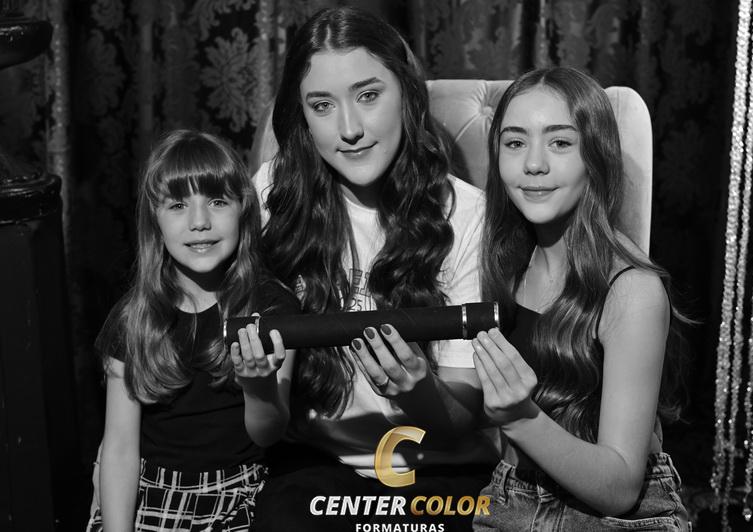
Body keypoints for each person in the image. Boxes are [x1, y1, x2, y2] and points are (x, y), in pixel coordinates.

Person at [253, 6, 497, 530]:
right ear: (301, 116)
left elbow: (460, 421)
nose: (350, 129)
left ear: (406, 95)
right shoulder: (273, 195)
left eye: (368, 96)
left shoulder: (468, 215)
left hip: (439, 475)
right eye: (322, 105)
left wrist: (417, 389)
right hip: (317, 472)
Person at [471, 67, 691, 531]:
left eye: (559, 142)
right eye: (515, 142)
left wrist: (520, 419)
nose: (533, 164)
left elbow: (620, 488)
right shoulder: (507, 266)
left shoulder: (631, 290)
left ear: (595, 154)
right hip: (513, 498)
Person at [86, 129, 299, 531]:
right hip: (149, 493)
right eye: (178, 205)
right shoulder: (133, 318)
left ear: (243, 210)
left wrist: (258, 387)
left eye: (217, 202)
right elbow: (118, 448)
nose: (199, 222)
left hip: (239, 496)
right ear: (155, 221)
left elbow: (269, 434)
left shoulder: (271, 308)